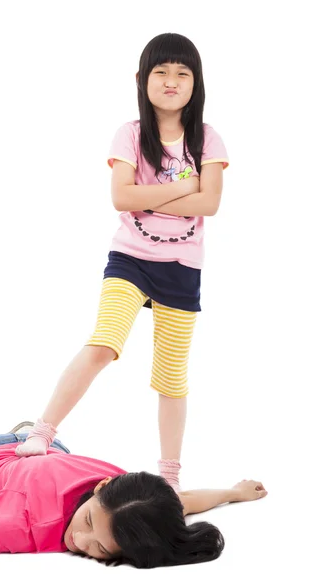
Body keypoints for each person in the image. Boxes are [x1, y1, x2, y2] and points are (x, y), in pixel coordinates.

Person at [15, 32, 230, 492]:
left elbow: (210, 204)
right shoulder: (130, 134)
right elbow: (121, 196)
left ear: (197, 83)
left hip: (182, 267)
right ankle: (42, 431)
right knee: (104, 343)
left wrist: (163, 195)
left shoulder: (208, 139)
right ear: (141, 79)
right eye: (161, 72)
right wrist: (185, 187)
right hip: (131, 257)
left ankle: (169, 475)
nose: (171, 81)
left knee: (171, 376)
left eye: (182, 73)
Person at [0, 423, 267, 567]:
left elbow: (186, 500)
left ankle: (24, 431)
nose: (79, 537)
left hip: (40, 448)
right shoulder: (22, 525)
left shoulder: (134, 496)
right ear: (103, 486)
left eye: (101, 548)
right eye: (89, 520)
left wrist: (233, 493)